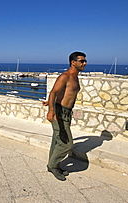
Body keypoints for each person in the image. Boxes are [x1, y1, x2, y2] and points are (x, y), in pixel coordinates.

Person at [43, 51, 87, 181]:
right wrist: (51, 110)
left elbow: (63, 94)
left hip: (67, 112)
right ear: (73, 62)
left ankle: (54, 165)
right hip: (59, 112)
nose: (85, 63)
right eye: (82, 61)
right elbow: (53, 92)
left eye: (85, 61)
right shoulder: (65, 76)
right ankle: (52, 165)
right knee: (66, 144)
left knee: (57, 140)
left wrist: (52, 102)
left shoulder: (75, 77)